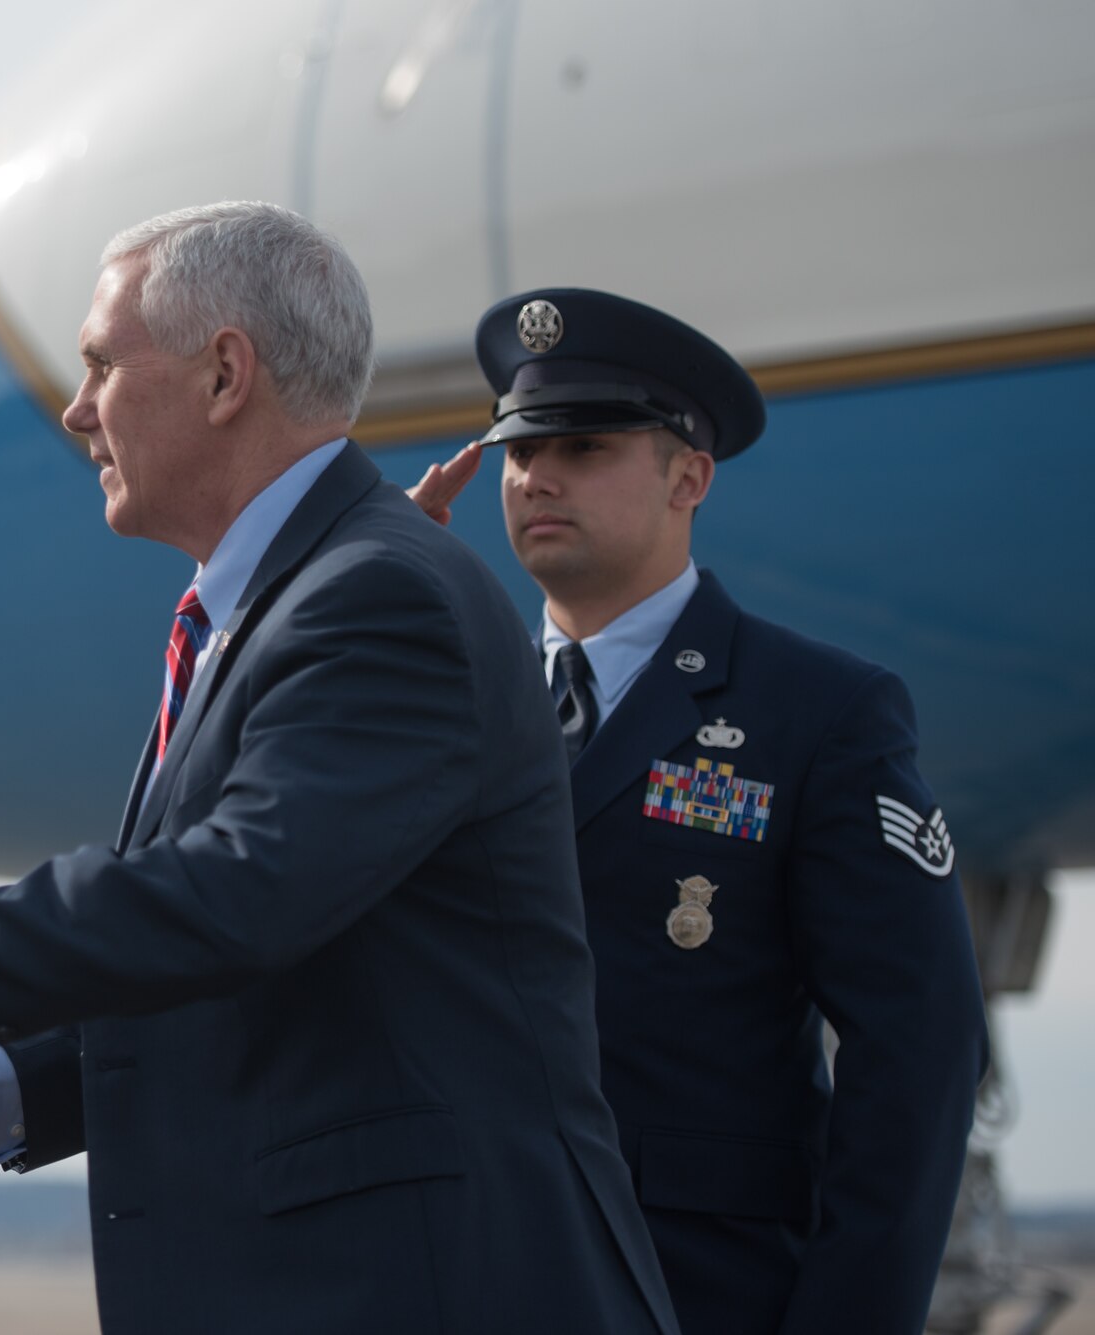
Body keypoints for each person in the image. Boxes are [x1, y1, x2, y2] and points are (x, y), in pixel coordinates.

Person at [0, 204, 679, 1334]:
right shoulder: (287, 604)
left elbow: (229, 901)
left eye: (101, 364)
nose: (74, 407)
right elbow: (249, 978)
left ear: (222, 376)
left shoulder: (374, 599)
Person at [406, 287, 990, 1334]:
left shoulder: (815, 714)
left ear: (688, 476)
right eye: (516, 451)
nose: (536, 474)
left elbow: (916, 1055)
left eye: (583, 446)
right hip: (459, 1278)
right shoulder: (439, 701)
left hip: (695, 1292)